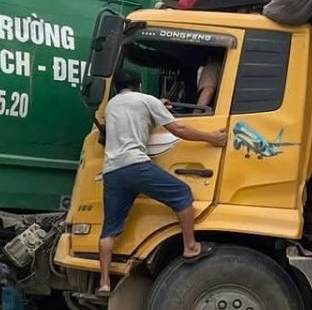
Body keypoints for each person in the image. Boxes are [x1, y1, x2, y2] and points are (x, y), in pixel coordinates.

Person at [97, 70, 227, 295]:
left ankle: (105, 283)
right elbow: (180, 129)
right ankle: (190, 247)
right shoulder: (146, 100)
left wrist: (156, 105)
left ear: (118, 88)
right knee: (183, 194)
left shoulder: (111, 106)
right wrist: (211, 138)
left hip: (112, 171)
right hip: (136, 166)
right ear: (139, 85)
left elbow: (131, 115)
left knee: (109, 230)